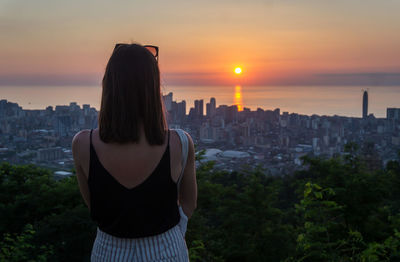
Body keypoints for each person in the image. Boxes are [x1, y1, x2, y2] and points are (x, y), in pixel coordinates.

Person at [71, 43, 197, 261]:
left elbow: (94, 204)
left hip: (108, 252)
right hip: (168, 250)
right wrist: (171, 233)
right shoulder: (180, 143)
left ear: (109, 86)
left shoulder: (83, 144)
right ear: (153, 86)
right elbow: (188, 204)